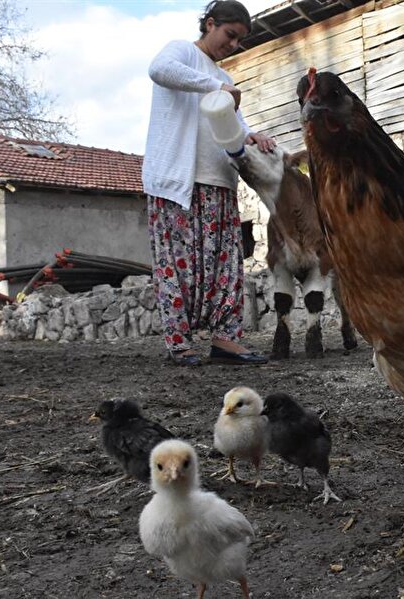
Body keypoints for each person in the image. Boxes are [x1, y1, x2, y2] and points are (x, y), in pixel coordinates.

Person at [142, 0, 277, 366]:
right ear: (210, 24)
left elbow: (236, 123)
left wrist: (253, 135)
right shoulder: (182, 52)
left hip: (219, 182)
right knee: (178, 265)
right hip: (177, 180)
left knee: (226, 266)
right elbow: (159, 69)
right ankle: (179, 344)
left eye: (238, 41)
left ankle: (226, 340)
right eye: (230, 35)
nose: (232, 45)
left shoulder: (226, 80)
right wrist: (214, 85)